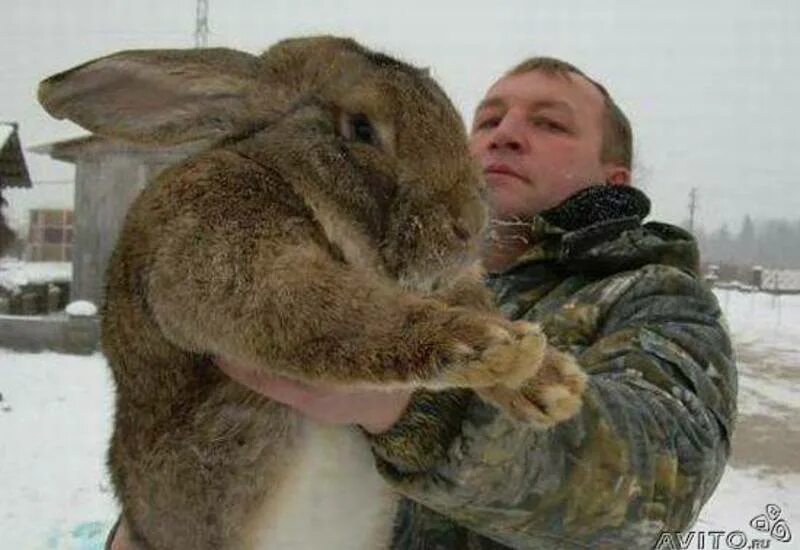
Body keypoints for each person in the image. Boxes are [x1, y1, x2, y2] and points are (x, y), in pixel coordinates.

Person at [109, 57, 737, 549]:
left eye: (549, 123)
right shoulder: (371, 249)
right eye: (488, 120)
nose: (506, 135)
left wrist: (408, 404)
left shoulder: (654, 294)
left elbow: (655, 491)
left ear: (613, 179)